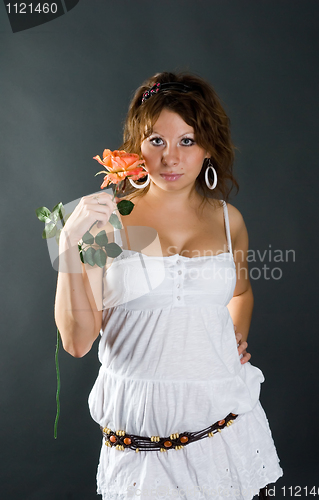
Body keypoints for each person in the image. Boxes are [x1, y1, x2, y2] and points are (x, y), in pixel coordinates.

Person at [55, 72, 283, 500]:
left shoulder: (229, 221)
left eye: (188, 141)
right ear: (136, 146)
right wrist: (69, 245)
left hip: (223, 431)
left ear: (209, 147)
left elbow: (240, 292)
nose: (170, 158)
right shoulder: (107, 223)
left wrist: (233, 341)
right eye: (156, 141)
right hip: (141, 444)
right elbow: (77, 342)